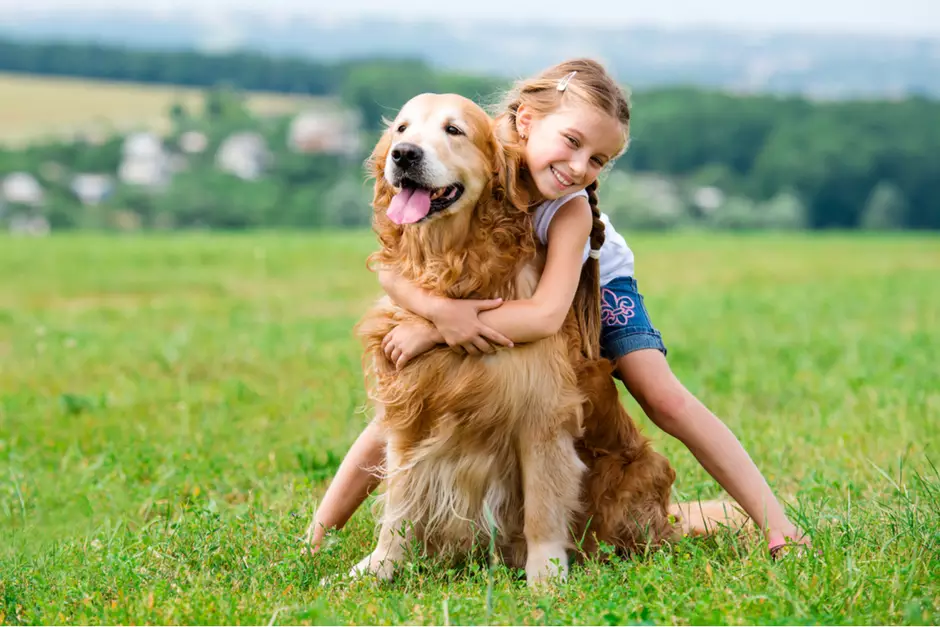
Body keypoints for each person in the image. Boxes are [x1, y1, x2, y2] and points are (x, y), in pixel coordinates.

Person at [307, 58, 809, 560]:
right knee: (412, 399)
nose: (578, 167)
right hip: (490, 288)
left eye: (597, 160)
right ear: (526, 121)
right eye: (572, 142)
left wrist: (438, 329)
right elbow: (390, 263)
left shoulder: (570, 208)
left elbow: (546, 315)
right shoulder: (469, 152)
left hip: (592, 285)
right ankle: (319, 532)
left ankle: (777, 526)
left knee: (661, 397)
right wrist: (438, 314)